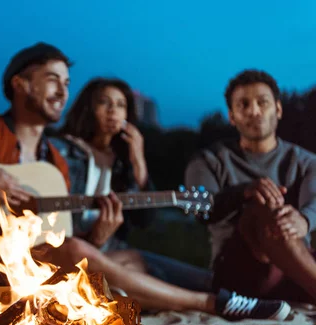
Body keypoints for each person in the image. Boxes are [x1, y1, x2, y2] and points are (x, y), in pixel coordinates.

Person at [0, 42, 289, 320]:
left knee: (127, 259)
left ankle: (240, 295)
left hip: (24, 271)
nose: (62, 90)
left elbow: (57, 242)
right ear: (19, 84)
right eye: (52, 79)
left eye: (66, 83)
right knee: (91, 255)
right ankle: (213, 303)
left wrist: (100, 235)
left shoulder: (54, 163)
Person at [49, 77, 214, 293]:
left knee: (199, 278)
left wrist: (138, 160)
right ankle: (210, 304)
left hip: (115, 253)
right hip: (72, 253)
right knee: (145, 271)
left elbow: (145, 220)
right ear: (88, 108)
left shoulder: (122, 162)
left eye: (120, 105)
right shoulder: (61, 150)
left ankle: (231, 299)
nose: (113, 111)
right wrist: (96, 239)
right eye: (104, 102)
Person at [186, 69, 316, 305]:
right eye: (243, 105)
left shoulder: (306, 161)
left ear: (278, 109)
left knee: (287, 217)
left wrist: (304, 220)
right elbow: (201, 211)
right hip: (238, 276)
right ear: (232, 116)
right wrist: (243, 192)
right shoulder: (208, 160)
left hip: (297, 272)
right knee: (261, 209)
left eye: (262, 102)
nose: (254, 111)